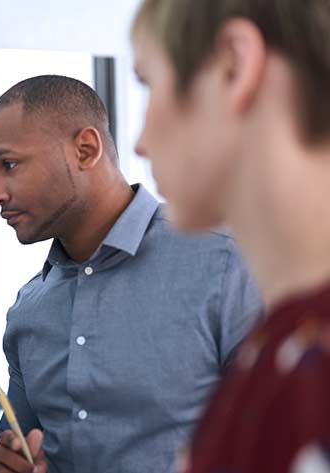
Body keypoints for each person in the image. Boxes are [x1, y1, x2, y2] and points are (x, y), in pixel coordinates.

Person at [0, 75, 261, 473]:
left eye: (8, 165)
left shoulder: (226, 262)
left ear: (85, 149)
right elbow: (24, 445)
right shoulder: (28, 310)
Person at [131, 1, 330, 471]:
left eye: (149, 83)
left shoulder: (309, 370)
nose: (140, 139)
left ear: (233, 66)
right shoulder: (278, 345)